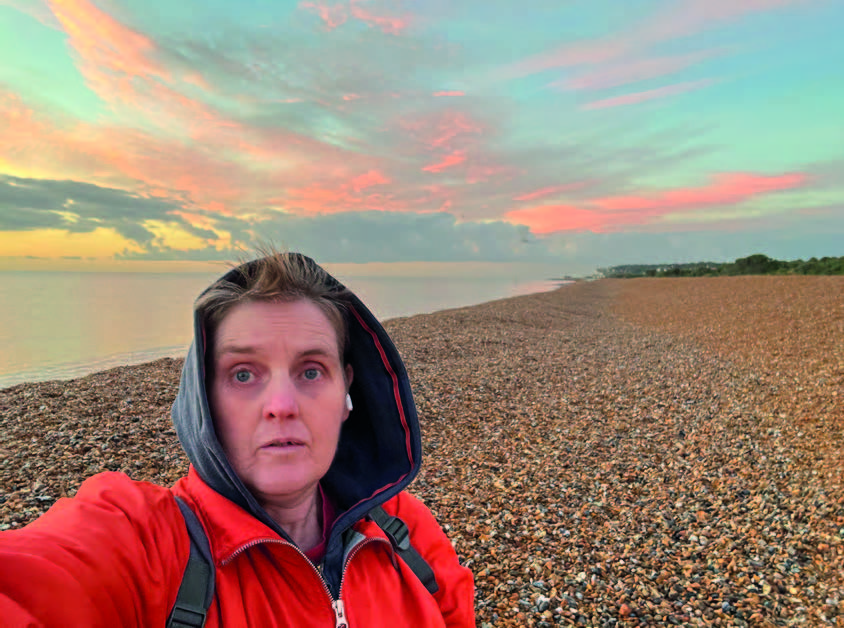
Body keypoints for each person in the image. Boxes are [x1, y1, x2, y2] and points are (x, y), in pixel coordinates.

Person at [0, 250, 475, 627]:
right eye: (243, 374)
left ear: (346, 392)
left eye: (311, 371)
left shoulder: (403, 529)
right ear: (204, 400)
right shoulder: (144, 543)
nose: (282, 405)